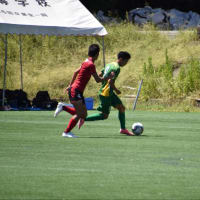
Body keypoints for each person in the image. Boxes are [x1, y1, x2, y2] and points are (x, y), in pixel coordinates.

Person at [54, 44, 113, 137]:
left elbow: (75, 72)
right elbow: (98, 80)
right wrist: (108, 77)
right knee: (80, 114)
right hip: (76, 91)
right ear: (97, 54)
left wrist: (70, 85)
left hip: (76, 90)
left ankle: (63, 107)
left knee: (83, 115)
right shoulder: (91, 64)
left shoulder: (86, 61)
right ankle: (66, 132)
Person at [80, 51, 134, 136]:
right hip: (106, 93)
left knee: (121, 108)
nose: (126, 63)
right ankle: (82, 118)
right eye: (126, 61)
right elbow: (110, 82)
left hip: (109, 92)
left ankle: (123, 129)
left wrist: (105, 81)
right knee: (104, 115)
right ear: (121, 59)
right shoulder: (117, 68)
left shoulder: (110, 64)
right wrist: (117, 90)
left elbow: (100, 74)